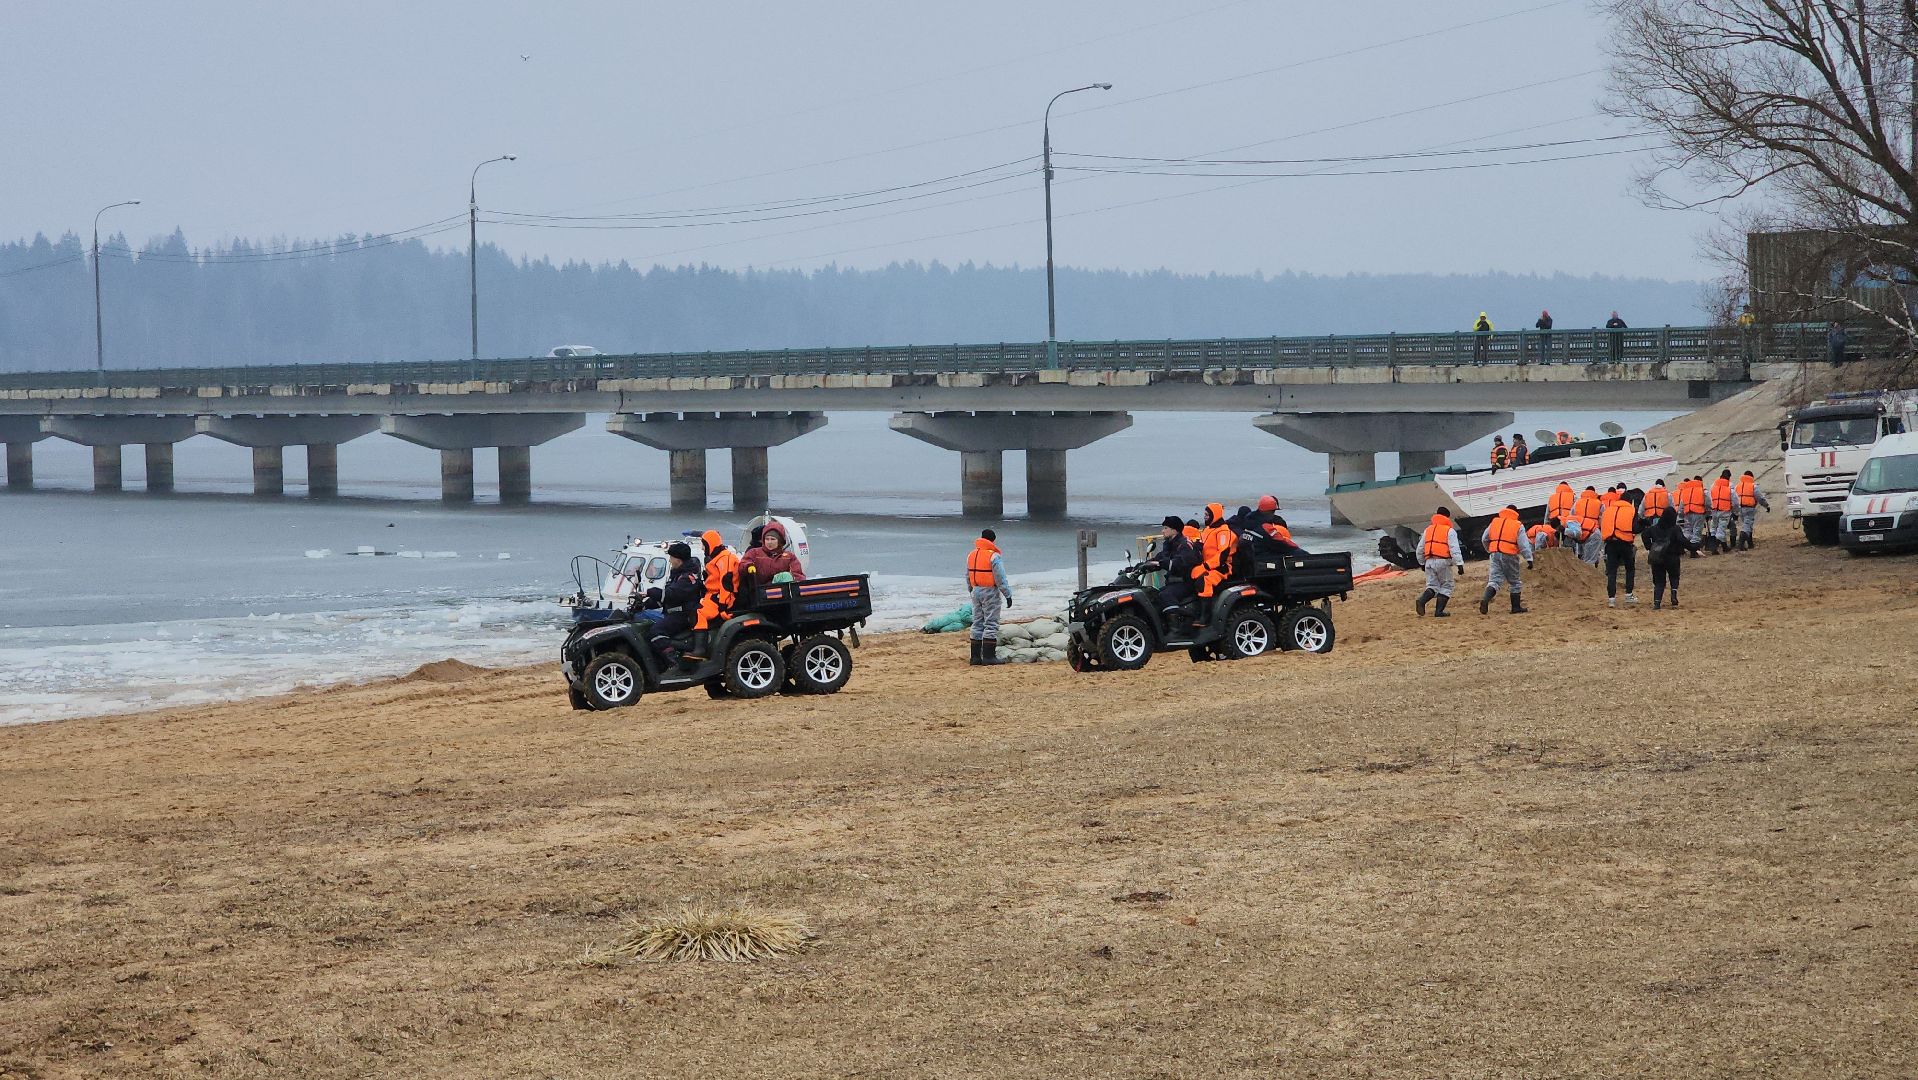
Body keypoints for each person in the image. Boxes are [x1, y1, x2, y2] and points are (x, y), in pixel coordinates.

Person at [645, 542, 706, 667]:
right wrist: (645, 605)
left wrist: (649, 592)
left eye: (671, 558)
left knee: (656, 632)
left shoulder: (688, 578)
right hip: (674, 613)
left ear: (678, 559)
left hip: (684, 615)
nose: (670, 561)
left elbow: (672, 594)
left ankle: (674, 661)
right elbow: (665, 599)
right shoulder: (677, 575)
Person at [686, 529, 740, 662]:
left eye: (704, 545)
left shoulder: (725, 558)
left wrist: (723, 607)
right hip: (713, 596)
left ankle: (700, 649)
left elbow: (726, 584)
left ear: (711, 544)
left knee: (698, 612)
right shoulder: (717, 559)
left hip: (722, 598)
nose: (702, 548)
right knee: (691, 609)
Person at [965, 529, 1014, 666]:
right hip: (990, 592)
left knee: (977, 622)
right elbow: (1000, 578)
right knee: (991, 623)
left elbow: (967, 575)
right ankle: (989, 657)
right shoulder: (994, 556)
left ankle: (975, 658)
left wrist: (971, 589)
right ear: (993, 540)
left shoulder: (971, 555)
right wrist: (1007, 595)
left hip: (976, 590)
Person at [1478, 505, 1534, 615]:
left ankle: (1485, 599)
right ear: (1515, 513)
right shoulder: (1518, 525)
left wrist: (1490, 550)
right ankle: (1516, 608)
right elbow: (1523, 545)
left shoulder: (1495, 522)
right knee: (1515, 582)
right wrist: (1529, 559)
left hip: (1495, 553)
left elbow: (1484, 538)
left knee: (1494, 580)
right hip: (1509, 554)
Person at [1640, 505, 1698, 610]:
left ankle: (1657, 602)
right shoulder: (1675, 529)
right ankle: (1673, 594)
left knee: (1659, 581)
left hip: (1657, 558)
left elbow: (1644, 535)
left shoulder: (1654, 528)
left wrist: (1650, 547)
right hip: (1672, 557)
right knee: (1674, 577)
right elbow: (1682, 541)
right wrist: (1694, 547)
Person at [1142, 515, 1200, 618]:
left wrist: (1164, 563)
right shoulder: (1169, 545)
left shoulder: (1185, 544)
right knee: (1152, 594)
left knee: (1166, 595)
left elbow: (1180, 563)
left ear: (1174, 530)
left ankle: (1176, 627)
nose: (1162, 531)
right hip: (1173, 582)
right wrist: (1142, 565)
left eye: (1165, 528)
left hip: (1185, 582)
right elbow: (1160, 558)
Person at [1192, 502, 1238, 622]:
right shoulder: (1207, 529)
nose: (1205, 517)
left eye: (1207, 515)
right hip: (1207, 565)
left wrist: (1205, 566)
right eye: (1205, 515)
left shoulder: (1224, 531)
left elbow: (1222, 555)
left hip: (1221, 567)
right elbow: (1201, 544)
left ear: (1215, 515)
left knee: (1204, 581)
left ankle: (1206, 617)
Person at [1414, 507, 1464, 618]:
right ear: (1447, 517)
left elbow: (1420, 549)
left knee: (1432, 585)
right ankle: (1439, 611)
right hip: (1443, 561)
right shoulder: (1449, 531)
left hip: (1429, 562)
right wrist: (1459, 564)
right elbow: (1454, 548)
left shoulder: (1428, 530)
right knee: (1447, 586)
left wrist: (1422, 563)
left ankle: (1422, 601)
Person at [738, 520, 806, 591]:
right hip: (758, 593)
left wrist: (792, 579)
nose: (769, 542)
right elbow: (743, 564)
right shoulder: (754, 553)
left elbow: (798, 575)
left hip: (781, 594)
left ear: (780, 541)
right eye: (767, 539)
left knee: (786, 576)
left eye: (773, 539)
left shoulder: (789, 557)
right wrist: (748, 566)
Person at [1600, 490, 1639, 607]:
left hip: (1610, 543)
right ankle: (1628, 595)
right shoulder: (1631, 510)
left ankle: (1611, 598)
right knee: (1630, 569)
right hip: (1625, 543)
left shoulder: (1609, 509)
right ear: (1630, 501)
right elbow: (1635, 528)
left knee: (1612, 571)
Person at [1733, 469, 1770, 550]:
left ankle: (1750, 544)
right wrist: (1766, 506)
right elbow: (1760, 498)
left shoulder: (1737, 486)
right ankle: (1741, 544)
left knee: (1746, 525)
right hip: (1749, 508)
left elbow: (1734, 499)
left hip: (1740, 509)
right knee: (1747, 526)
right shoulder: (1753, 486)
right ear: (1751, 477)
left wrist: (1734, 511)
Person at [1568, 485, 1605, 565]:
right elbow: (1602, 519)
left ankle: (1582, 570)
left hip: (1580, 531)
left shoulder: (1577, 502)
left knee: (1581, 554)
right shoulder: (1599, 504)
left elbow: (1571, 516)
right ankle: (1593, 567)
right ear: (1594, 493)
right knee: (1592, 554)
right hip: (1592, 531)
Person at [1707, 469, 1735, 553]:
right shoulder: (1730, 487)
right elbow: (1735, 501)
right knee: (1721, 530)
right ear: (1729, 477)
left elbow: (1709, 498)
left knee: (1713, 528)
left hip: (1714, 510)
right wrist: (1736, 512)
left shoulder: (1713, 486)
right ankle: (1714, 546)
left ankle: (1724, 547)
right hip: (1725, 512)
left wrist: (1709, 510)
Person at [1676, 475, 1708, 550]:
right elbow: (1708, 503)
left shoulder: (1686, 491)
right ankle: (1694, 551)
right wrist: (1708, 513)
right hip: (1698, 513)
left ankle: (1682, 547)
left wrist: (1681, 516)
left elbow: (1681, 505)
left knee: (1687, 532)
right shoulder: (1703, 491)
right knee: (1696, 532)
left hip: (1687, 514)